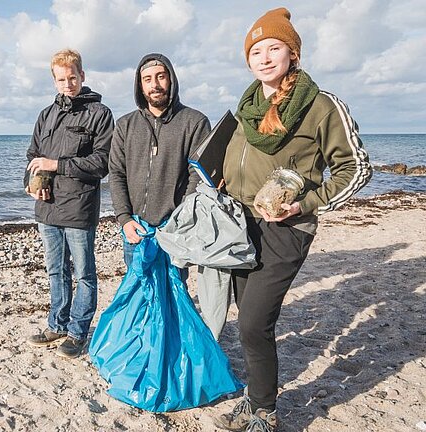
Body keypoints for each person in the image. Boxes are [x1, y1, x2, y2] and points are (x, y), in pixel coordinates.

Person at [214, 8, 372, 432]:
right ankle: (255, 400)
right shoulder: (247, 106)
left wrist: (305, 204)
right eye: (256, 52)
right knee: (250, 323)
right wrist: (221, 177)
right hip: (241, 225)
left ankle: (265, 411)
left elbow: (356, 168)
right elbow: (242, 161)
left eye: (274, 48)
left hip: (286, 228)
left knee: (252, 322)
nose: (265, 58)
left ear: (293, 53)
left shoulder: (320, 105)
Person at [24, 49, 114, 359]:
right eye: (61, 80)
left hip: (79, 207)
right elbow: (33, 156)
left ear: (82, 75)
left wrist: (56, 165)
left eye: (72, 78)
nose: (68, 84)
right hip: (47, 208)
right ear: (54, 81)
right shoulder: (46, 115)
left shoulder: (100, 114)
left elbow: (102, 163)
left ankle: (77, 332)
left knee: (84, 274)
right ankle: (57, 325)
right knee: (55, 271)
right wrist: (30, 185)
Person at [109, 53, 211, 268]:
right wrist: (125, 219)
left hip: (176, 230)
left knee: (175, 285)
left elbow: (198, 175)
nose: (154, 85)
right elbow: (117, 173)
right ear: (140, 85)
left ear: (171, 79)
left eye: (161, 77)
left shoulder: (195, 122)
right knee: (137, 284)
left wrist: (181, 219)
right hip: (136, 228)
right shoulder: (125, 124)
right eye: (147, 79)